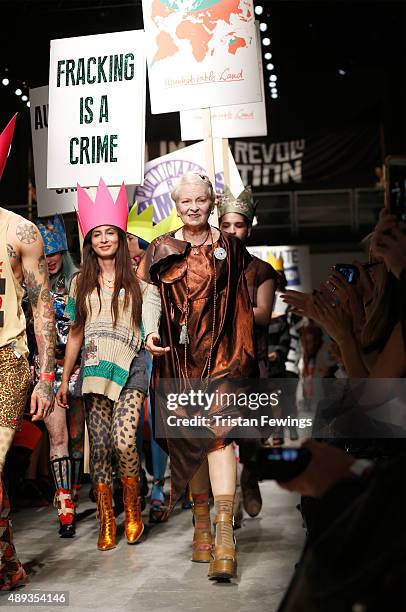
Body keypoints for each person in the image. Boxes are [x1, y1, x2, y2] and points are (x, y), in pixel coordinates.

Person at [138, 172, 257, 581]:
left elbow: (243, 304)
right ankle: (201, 523)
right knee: (191, 440)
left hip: (222, 355)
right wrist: (149, 330)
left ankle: (225, 533)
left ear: (211, 203)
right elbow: (150, 294)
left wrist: (244, 361)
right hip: (177, 360)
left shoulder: (230, 248)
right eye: (186, 200)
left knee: (218, 436)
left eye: (201, 200)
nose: (193, 207)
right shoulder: (160, 248)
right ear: (176, 204)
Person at [56, 179, 148, 551]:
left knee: (126, 441)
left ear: (121, 237)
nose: (105, 239)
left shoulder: (140, 281)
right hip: (93, 372)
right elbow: (75, 334)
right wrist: (63, 381)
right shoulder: (80, 282)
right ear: (89, 241)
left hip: (132, 369)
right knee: (103, 446)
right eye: (98, 234)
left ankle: (133, 507)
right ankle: (108, 518)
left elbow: (151, 326)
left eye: (112, 232)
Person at [0, 114, 55, 588]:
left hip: (6, 358)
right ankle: (6, 560)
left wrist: (46, 376)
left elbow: (41, 309)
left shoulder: (22, 234)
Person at [218, 186, 277, 518]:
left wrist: (226, 306)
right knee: (222, 434)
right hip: (220, 363)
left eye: (238, 225)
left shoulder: (261, 271)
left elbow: (264, 313)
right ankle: (228, 501)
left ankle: (250, 475)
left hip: (253, 362)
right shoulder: (212, 269)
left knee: (252, 436)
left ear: (249, 228)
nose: (232, 231)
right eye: (226, 225)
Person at [34, 215, 84, 536]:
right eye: (43, 255)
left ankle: (75, 489)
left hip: (80, 364)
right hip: (48, 367)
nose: (49, 260)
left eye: (54, 254)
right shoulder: (31, 286)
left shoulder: (79, 281)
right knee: (59, 437)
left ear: (63, 253)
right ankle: (65, 507)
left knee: (78, 437)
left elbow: (83, 328)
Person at [126, 204, 169, 523]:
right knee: (131, 424)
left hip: (158, 355)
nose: (131, 247)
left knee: (156, 422)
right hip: (128, 357)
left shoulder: (160, 278)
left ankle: (158, 486)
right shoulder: (115, 275)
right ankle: (138, 480)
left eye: (135, 242)